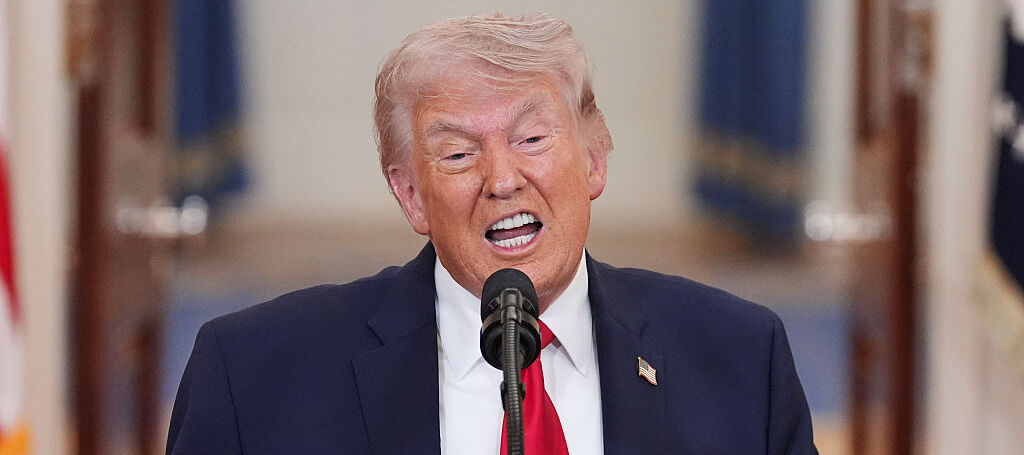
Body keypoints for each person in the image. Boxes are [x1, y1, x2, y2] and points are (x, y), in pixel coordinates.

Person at [166, 13, 817, 455]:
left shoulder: (739, 358)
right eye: (457, 154)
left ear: (594, 159)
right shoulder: (254, 376)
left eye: (532, 138)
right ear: (411, 194)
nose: (501, 178)